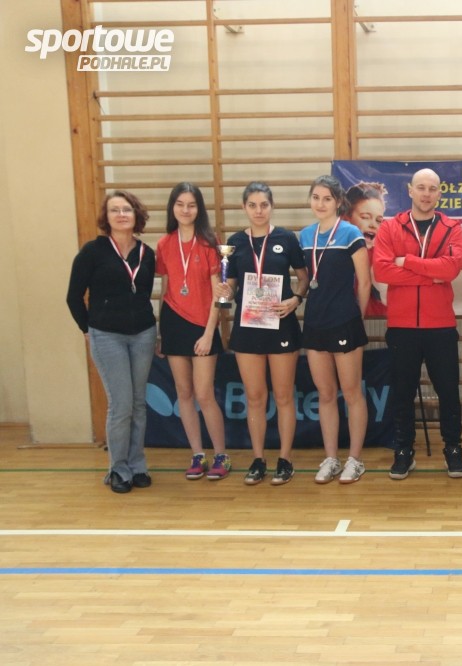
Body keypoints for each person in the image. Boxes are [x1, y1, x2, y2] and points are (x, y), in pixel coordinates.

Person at [372, 168, 462, 479]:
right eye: (421, 188)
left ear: (439, 193)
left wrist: (408, 262)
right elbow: (382, 271)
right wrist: (430, 275)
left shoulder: (452, 228)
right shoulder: (390, 227)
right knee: (402, 392)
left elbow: (451, 269)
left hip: (440, 325)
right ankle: (403, 450)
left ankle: (453, 449)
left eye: (432, 189)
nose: (426, 194)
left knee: (448, 392)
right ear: (410, 190)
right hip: (402, 326)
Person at [215, 182, 309, 486]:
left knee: (283, 396)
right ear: (244, 207)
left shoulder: (286, 238)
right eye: (252, 205)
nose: (258, 211)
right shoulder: (234, 243)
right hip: (248, 327)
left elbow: (304, 278)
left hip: (281, 325)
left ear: (272, 206)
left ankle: (285, 459)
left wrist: (296, 299)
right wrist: (224, 291)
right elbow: (231, 286)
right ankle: (258, 459)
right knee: (255, 397)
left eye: (264, 205)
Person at [67, 191, 157, 494]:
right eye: (114, 210)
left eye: (126, 209)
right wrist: (87, 328)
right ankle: (118, 469)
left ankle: (137, 465)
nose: (121, 215)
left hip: (143, 334)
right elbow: (73, 296)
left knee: (138, 404)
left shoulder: (146, 253)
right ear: (106, 218)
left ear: (136, 215)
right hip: (107, 337)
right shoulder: (92, 252)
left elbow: (143, 294)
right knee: (121, 405)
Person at [155, 182, 230, 481]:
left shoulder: (211, 244)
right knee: (184, 393)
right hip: (173, 323)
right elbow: (165, 290)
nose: (186, 210)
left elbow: (218, 295)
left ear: (199, 209)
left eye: (191, 205)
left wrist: (210, 333)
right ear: (172, 207)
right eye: (180, 204)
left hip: (203, 325)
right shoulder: (164, 244)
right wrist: (161, 332)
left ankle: (221, 455)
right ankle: (197, 454)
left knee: (204, 393)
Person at [299, 175, 369, 485]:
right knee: (325, 394)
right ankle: (331, 458)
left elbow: (364, 282)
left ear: (338, 202)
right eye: (316, 197)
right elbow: (305, 280)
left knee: (352, 393)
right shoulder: (305, 236)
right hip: (315, 322)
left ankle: (355, 459)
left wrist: (357, 318)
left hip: (345, 322)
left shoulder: (351, 233)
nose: (321, 203)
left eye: (327, 198)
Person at [342, 181, 388, 318]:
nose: (373, 225)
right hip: (343, 320)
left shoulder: (382, 255)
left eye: (379, 220)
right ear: (346, 218)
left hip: (376, 321)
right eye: (365, 217)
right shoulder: (337, 252)